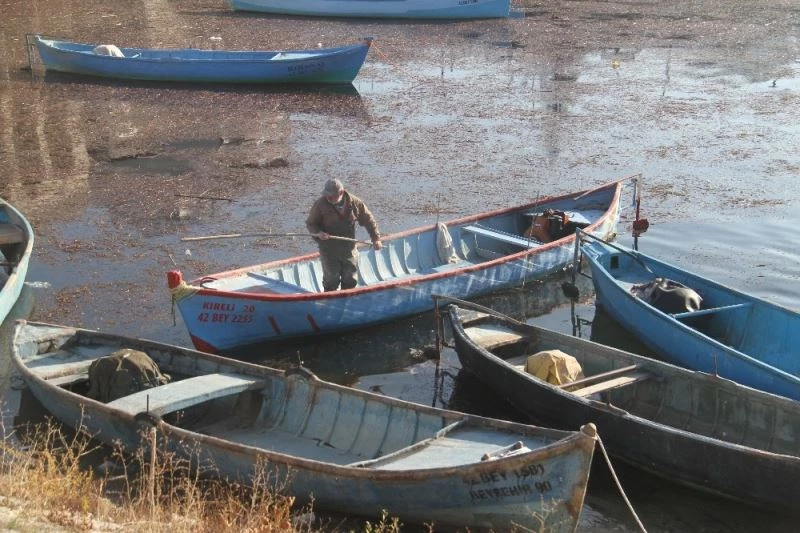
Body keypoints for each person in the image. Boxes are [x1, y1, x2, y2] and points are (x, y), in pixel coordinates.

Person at [306, 179, 382, 291]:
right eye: (327, 195)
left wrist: (376, 238)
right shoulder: (320, 205)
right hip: (328, 248)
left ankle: (346, 299)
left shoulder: (354, 203)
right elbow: (311, 224)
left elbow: (368, 220)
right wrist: (318, 233)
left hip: (348, 247)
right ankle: (329, 298)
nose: (329, 198)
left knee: (350, 278)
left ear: (341, 193)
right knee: (332, 279)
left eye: (332, 196)